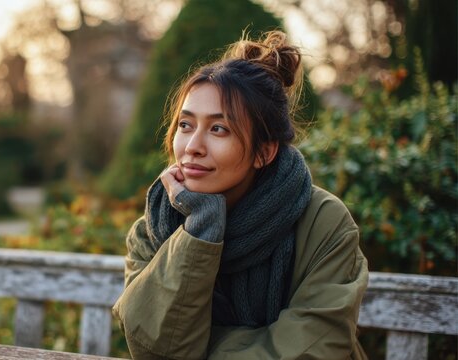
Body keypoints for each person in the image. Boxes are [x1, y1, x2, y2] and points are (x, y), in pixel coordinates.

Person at [111, 30, 369, 359]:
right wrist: (201, 226)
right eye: (186, 125)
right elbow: (154, 348)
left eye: (219, 129)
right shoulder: (154, 227)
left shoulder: (324, 223)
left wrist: (204, 348)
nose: (192, 147)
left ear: (264, 152)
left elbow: (314, 346)